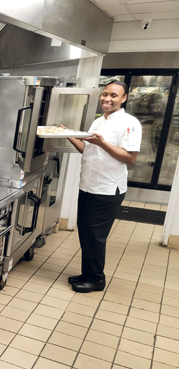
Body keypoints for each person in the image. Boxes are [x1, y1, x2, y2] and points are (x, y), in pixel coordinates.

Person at [65, 80, 141, 293]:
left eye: (114, 95)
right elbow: (87, 150)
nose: (107, 98)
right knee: (85, 230)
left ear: (124, 98)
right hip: (88, 185)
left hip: (108, 189)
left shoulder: (130, 123)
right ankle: (87, 274)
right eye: (105, 94)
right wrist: (68, 135)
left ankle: (96, 279)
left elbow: (130, 158)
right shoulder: (98, 122)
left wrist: (103, 144)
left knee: (95, 235)